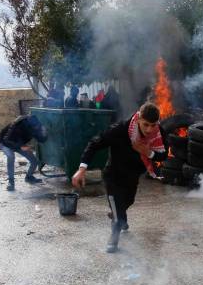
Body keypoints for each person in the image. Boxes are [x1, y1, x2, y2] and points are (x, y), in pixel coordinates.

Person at [72, 102, 168, 253]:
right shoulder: (120, 129)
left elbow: (163, 154)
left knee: (128, 201)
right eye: (146, 125)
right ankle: (114, 237)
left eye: (153, 125)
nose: (149, 130)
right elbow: (94, 144)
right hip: (113, 175)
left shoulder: (158, 132)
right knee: (117, 210)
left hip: (133, 175)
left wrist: (148, 153)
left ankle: (119, 214)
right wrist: (81, 169)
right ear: (138, 119)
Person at [0, 115, 48, 191]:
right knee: (11, 156)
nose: (34, 130)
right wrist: (21, 146)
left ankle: (29, 177)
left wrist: (44, 133)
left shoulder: (34, 126)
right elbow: (7, 140)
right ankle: (11, 182)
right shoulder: (16, 125)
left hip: (19, 144)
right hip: (5, 142)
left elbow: (41, 140)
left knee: (34, 161)